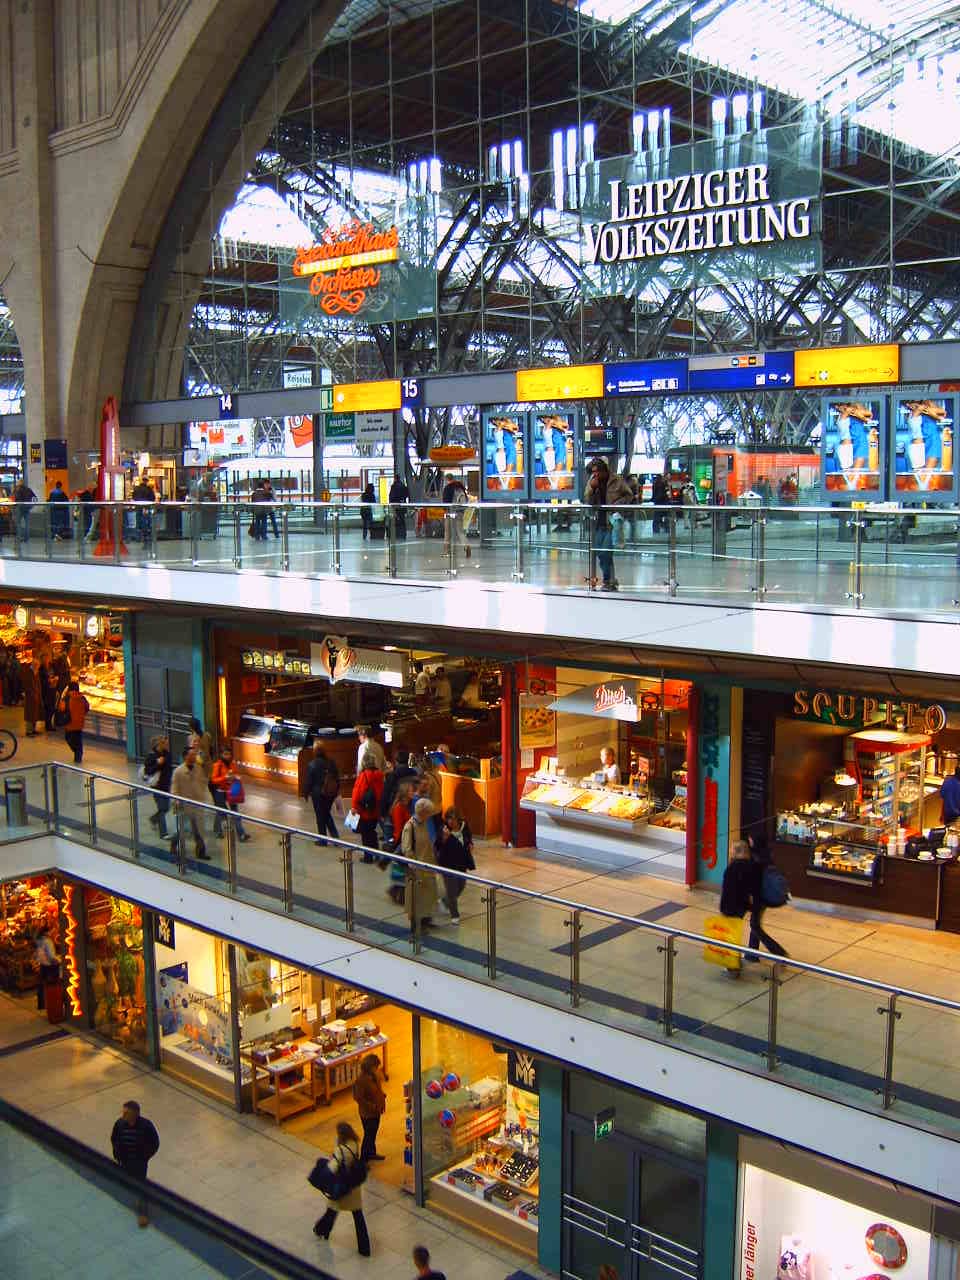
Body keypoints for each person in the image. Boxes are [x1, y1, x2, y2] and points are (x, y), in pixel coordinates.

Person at [313, 1121, 370, 1256]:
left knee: (331, 1211)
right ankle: (364, 1247)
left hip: (341, 1186)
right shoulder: (355, 1144)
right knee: (358, 1217)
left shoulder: (341, 1150)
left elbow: (333, 1167)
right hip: (353, 1188)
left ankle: (322, 1230)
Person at [110, 1100, 159, 1228]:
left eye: (126, 1112)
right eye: (123, 1112)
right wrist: (117, 1154)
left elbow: (155, 1143)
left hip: (139, 1162)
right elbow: (114, 1139)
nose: (123, 1114)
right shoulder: (120, 1124)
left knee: (140, 1184)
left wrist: (145, 1157)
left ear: (135, 1114)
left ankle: (143, 1211)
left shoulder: (146, 1126)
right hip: (125, 1160)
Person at [584, 457, 631, 591]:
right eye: (593, 472)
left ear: (604, 469)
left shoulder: (616, 480)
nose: (596, 474)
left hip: (612, 522)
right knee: (600, 552)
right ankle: (611, 580)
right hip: (599, 522)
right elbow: (588, 500)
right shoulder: (593, 482)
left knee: (606, 552)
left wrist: (618, 507)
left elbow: (629, 495)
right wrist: (592, 489)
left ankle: (607, 580)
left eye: (597, 471)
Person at [401, 798, 439, 930]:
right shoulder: (409, 826)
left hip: (427, 866)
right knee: (415, 897)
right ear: (423, 813)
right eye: (428, 813)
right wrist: (414, 864)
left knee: (428, 894)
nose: (430, 816)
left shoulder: (423, 824)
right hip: (416, 869)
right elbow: (406, 848)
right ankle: (415, 924)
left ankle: (426, 919)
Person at [435, 806, 475, 924]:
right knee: (452, 890)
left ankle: (445, 902)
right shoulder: (444, 830)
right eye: (448, 819)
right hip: (447, 864)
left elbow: (468, 838)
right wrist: (445, 839)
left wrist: (470, 844)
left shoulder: (464, 826)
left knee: (461, 886)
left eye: (452, 819)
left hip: (461, 863)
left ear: (458, 819)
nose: (450, 822)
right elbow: (437, 845)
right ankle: (454, 915)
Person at [170, 746, 211, 860]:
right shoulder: (178, 771)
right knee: (182, 829)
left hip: (197, 804)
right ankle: (174, 845)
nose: (194, 756)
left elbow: (203, 782)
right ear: (185, 756)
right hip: (184, 806)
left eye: (194, 754)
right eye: (191, 754)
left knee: (199, 830)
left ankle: (201, 851)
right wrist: (176, 800)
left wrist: (204, 796)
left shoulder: (199, 768)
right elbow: (174, 788)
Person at [210, 747, 250, 841]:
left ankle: (241, 834)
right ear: (221, 755)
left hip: (230, 791)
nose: (228, 756)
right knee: (220, 812)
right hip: (220, 791)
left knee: (235, 813)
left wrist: (235, 777)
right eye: (225, 754)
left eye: (229, 754)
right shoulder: (217, 765)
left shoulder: (232, 764)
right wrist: (225, 777)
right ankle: (218, 830)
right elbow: (214, 780)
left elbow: (233, 774)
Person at [352, 750, 384, 864]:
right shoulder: (380, 775)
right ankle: (376, 854)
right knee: (372, 831)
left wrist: (354, 808)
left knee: (365, 834)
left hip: (364, 810)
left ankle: (368, 857)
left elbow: (357, 793)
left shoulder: (363, 776)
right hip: (375, 810)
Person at [353, 1053, 386, 1162]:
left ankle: (371, 1153)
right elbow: (358, 1098)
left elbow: (376, 1088)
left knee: (372, 1133)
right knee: (369, 1135)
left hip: (376, 1111)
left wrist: (381, 1095)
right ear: (370, 1067)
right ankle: (363, 1159)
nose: (377, 1069)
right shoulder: (361, 1080)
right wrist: (371, 1106)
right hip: (367, 1114)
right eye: (375, 1066)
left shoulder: (374, 1076)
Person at [305, 742, 340, 842]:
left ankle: (322, 839)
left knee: (320, 816)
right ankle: (335, 836)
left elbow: (309, 781)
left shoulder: (312, 764)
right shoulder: (331, 762)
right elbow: (336, 777)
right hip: (330, 793)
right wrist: (337, 791)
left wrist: (306, 793)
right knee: (326, 813)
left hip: (318, 794)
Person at [144, 734, 173, 837]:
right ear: (160, 744)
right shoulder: (152, 756)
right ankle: (163, 833)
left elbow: (169, 768)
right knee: (162, 808)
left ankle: (153, 819)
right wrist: (158, 763)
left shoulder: (167, 754)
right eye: (165, 743)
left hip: (166, 785)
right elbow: (148, 771)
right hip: (157, 786)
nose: (168, 745)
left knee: (166, 808)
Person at [441, 472, 470, 558]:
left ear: (447, 479)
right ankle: (466, 545)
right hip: (460, 512)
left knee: (447, 532)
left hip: (450, 512)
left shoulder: (448, 488)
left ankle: (447, 551)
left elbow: (445, 502)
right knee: (460, 531)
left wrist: (445, 510)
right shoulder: (460, 487)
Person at [33, 926, 59, 1011]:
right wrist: (58, 960)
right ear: (46, 932)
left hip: (43, 965)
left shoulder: (39, 941)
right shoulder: (48, 941)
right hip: (50, 966)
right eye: (51, 931)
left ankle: (42, 1004)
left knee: (42, 985)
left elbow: (37, 954)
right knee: (52, 986)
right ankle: (53, 1004)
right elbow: (51, 956)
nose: (52, 932)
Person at [63, 680, 89, 763]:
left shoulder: (67, 698)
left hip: (70, 723)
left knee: (68, 738)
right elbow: (87, 707)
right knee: (78, 739)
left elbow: (62, 708)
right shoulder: (82, 697)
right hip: (79, 723)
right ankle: (78, 755)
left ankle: (77, 752)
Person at [131, 474, 156, 543]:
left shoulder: (136, 488)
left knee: (138, 521)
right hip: (146, 507)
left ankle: (138, 537)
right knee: (146, 521)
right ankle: (146, 536)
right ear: (147, 481)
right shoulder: (149, 489)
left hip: (138, 507)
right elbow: (152, 498)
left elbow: (134, 497)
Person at [21, 658, 40, 737]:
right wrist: (32, 693)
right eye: (37, 665)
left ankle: (33, 729)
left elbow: (38, 684)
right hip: (30, 696)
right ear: (34, 665)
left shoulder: (36, 672)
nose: (38, 667)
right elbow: (27, 685)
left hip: (35, 695)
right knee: (29, 713)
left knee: (35, 713)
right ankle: (29, 731)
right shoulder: (28, 672)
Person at [40, 658, 58, 732]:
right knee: (48, 707)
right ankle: (48, 725)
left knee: (52, 707)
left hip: (53, 688)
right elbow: (41, 680)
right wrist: (48, 681)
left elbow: (55, 674)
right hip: (46, 691)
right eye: (45, 659)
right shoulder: (41, 669)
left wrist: (55, 678)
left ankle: (49, 723)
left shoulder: (52, 666)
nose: (47, 660)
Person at [388, 473, 409, 540]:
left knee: (395, 520)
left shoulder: (394, 486)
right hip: (402, 505)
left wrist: (391, 503)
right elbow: (407, 494)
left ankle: (396, 534)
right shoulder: (403, 486)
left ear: (395, 478)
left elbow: (391, 496)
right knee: (402, 520)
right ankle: (403, 534)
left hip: (395, 506)